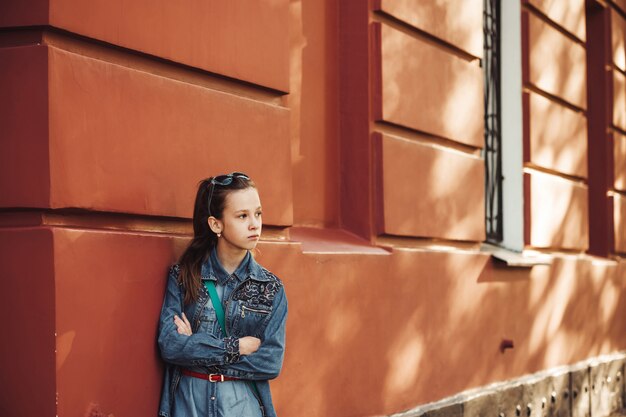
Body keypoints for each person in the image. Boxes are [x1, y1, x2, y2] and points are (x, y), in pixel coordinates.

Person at [157, 172, 288, 417]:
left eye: (257, 213)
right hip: (189, 406)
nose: (254, 224)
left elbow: (269, 362)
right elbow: (171, 346)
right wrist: (237, 346)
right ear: (216, 224)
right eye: (242, 216)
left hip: (241, 407)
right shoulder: (184, 277)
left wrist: (194, 345)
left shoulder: (270, 288)